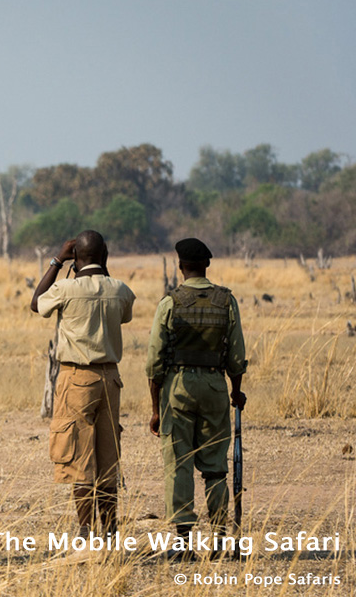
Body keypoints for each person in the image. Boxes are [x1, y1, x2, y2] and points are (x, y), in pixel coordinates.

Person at [145, 238, 246, 556]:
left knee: (179, 464)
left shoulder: (170, 302)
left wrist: (155, 408)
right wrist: (235, 390)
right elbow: (237, 356)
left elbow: (154, 363)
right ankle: (218, 540)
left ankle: (184, 542)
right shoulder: (226, 301)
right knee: (216, 468)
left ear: (180, 266)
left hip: (178, 389)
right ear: (207, 265)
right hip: (216, 388)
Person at [31, 230, 135, 540]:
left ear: (75, 258)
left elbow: (37, 303)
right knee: (107, 460)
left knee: (79, 458)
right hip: (110, 379)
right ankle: (110, 531)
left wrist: (57, 260)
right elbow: (122, 312)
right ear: (105, 256)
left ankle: (86, 532)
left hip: (76, 378)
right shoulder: (120, 289)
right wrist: (101, 267)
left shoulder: (65, 288)